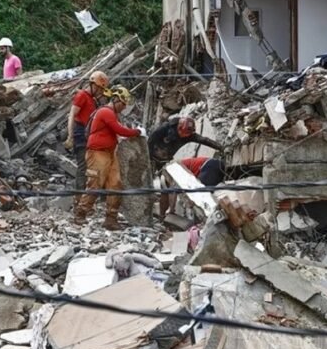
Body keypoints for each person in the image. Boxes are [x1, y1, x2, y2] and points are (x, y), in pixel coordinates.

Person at [74, 85, 145, 231]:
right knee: (95, 184)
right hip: (97, 152)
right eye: (123, 104)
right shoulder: (106, 112)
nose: (124, 107)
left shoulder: (111, 113)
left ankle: (111, 218)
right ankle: (80, 214)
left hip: (110, 152)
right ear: (116, 100)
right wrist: (137, 132)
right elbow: (120, 130)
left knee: (116, 184)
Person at [64, 70, 109, 196]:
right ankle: (79, 196)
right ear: (93, 85)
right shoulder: (82, 96)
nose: (100, 92)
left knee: (91, 165)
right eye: (100, 89)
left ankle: (89, 195)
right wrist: (70, 136)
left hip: (88, 134)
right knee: (83, 166)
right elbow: (72, 115)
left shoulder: (93, 100)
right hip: (80, 133)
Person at [148, 117, 222, 169]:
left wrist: (220, 147)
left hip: (167, 159)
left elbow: (204, 140)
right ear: (179, 128)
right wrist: (148, 155)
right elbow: (151, 139)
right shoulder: (165, 128)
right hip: (154, 155)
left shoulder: (189, 135)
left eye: (187, 134)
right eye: (183, 133)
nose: (185, 136)